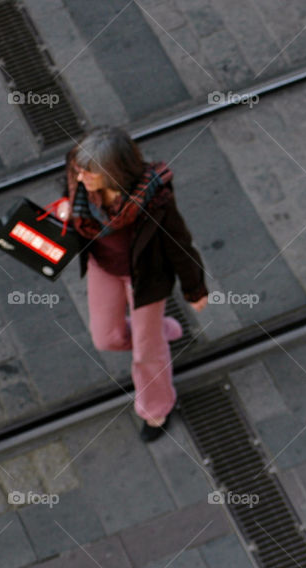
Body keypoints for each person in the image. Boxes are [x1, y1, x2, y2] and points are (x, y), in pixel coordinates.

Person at [56, 127, 208, 442]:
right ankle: (159, 333)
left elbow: (180, 245)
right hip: (103, 267)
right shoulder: (79, 181)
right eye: (79, 171)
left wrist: (195, 289)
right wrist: (65, 208)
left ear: (113, 172)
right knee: (107, 338)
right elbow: (69, 191)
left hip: (145, 278)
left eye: (89, 173)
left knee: (145, 354)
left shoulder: (155, 201)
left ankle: (157, 409)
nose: (81, 178)